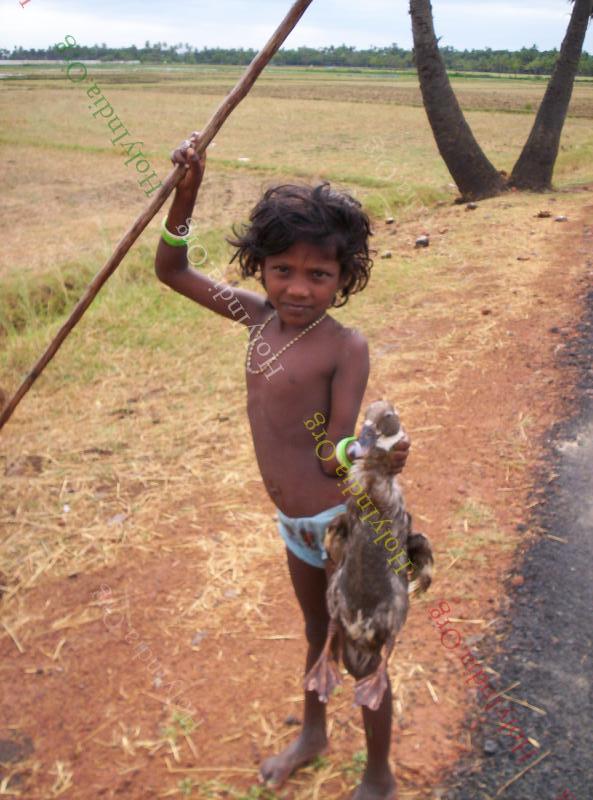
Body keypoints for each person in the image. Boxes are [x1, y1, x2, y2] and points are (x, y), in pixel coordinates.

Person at [154, 131, 410, 800]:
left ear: (344, 278)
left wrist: (369, 454)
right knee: (315, 631)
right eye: (282, 270)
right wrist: (186, 194)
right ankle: (314, 735)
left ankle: (378, 774)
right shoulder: (256, 317)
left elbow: (335, 446)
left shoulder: (344, 346)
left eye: (319, 275)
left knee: (360, 648)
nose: (298, 288)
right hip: (292, 526)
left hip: (340, 526)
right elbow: (171, 271)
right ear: (259, 267)